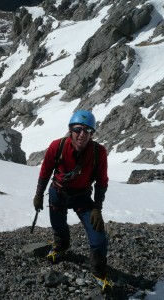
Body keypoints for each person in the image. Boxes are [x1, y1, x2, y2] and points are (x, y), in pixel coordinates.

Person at [33, 109, 111, 291]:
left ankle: (99, 272)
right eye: (78, 129)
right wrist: (38, 194)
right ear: (70, 130)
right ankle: (61, 246)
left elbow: (102, 182)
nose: (82, 134)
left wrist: (97, 208)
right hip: (58, 193)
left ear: (92, 134)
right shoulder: (57, 147)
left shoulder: (98, 153)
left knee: (99, 238)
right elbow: (45, 172)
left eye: (87, 131)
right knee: (58, 226)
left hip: (82, 197)